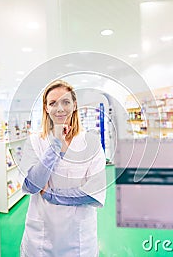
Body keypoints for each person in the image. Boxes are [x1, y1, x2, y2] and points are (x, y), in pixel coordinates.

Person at [19, 79, 107, 257]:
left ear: (75, 105)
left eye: (66, 102)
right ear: (46, 108)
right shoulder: (35, 141)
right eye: (53, 103)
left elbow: (92, 192)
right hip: (41, 239)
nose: (60, 108)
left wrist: (51, 195)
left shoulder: (91, 143)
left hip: (79, 240)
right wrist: (55, 144)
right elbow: (31, 186)